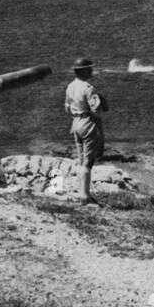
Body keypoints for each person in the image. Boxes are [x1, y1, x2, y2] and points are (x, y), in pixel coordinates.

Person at [64, 56, 108, 204]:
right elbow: (97, 111)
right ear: (85, 71)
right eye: (90, 68)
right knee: (87, 163)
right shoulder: (88, 88)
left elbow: (67, 108)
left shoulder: (70, 86)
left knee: (81, 160)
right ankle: (85, 196)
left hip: (75, 122)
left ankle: (81, 192)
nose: (92, 70)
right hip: (88, 123)